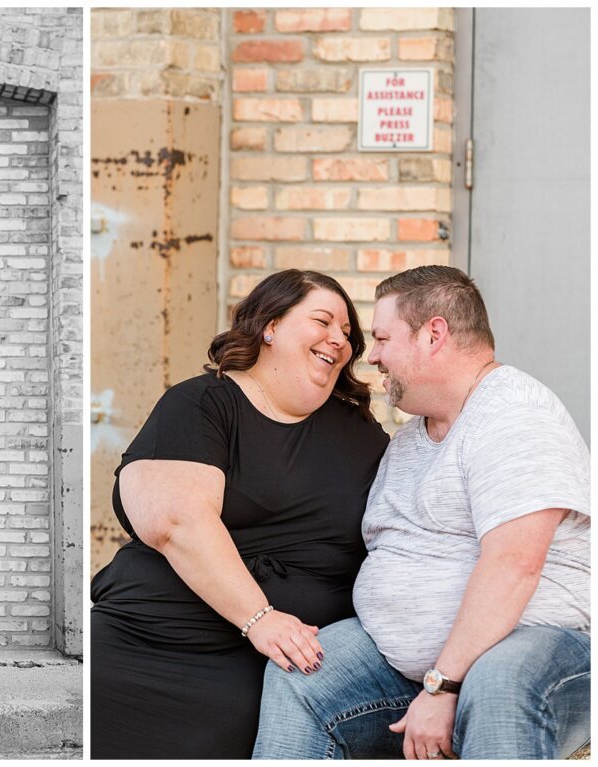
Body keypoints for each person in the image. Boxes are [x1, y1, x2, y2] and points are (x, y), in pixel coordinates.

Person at [253, 265, 590, 760]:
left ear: (433, 334)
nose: (375, 357)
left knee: (498, 681)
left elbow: (514, 563)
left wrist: (443, 685)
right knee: (303, 672)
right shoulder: (412, 438)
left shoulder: (515, 413)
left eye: (384, 338)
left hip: (537, 652)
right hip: (411, 670)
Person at [90, 270, 390, 759]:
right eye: (323, 321)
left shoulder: (360, 434)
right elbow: (176, 521)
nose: (340, 338)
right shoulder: (203, 403)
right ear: (270, 325)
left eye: (347, 332)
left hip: (280, 674)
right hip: (149, 647)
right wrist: (261, 619)